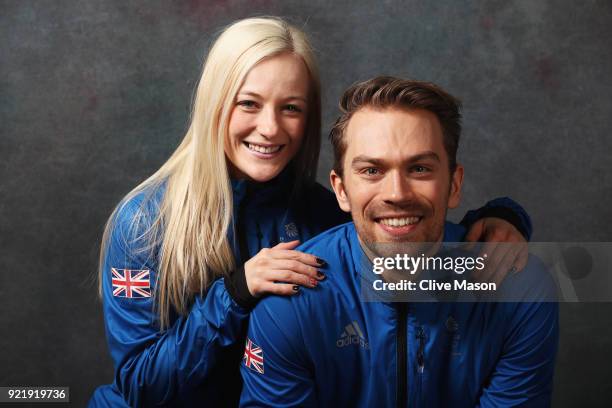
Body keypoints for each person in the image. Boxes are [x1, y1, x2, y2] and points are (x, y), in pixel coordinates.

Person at [90, 18, 533, 407]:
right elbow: (141, 387)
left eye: (291, 108)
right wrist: (236, 293)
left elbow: (406, 222)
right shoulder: (145, 223)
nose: (270, 127)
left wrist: (501, 218)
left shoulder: (324, 212)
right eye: (249, 103)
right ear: (215, 105)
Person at [240, 77, 558, 407]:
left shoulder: (520, 291)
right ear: (341, 190)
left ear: (453, 184)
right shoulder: (290, 300)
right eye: (371, 171)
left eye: (419, 168)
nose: (397, 194)